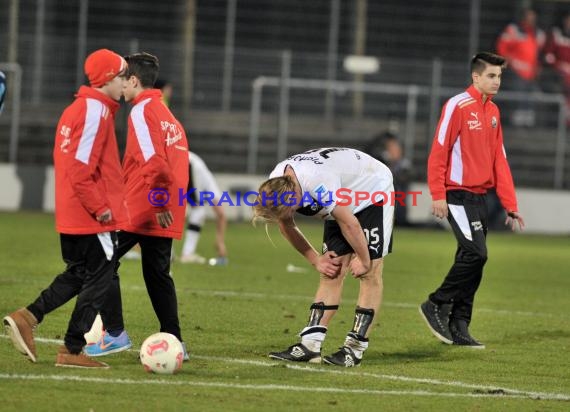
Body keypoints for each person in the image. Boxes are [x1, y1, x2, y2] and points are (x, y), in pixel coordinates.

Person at [3, 49, 128, 368]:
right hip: (91, 215)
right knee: (100, 278)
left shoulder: (80, 108)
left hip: (73, 211)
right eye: (123, 76)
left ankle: (27, 317)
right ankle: (72, 350)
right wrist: (101, 208)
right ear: (109, 78)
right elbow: (79, 169)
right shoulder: (95, 111)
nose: (126, 83)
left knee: (78, 275)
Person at [84, 52, 190, 358]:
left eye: (121, 77)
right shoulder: (168, 115)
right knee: (158, 274)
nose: (118, 83)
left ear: (133, 80)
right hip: (167, 206)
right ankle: (175, 341)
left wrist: (157, 202)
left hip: (145, 204)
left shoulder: (143, 111)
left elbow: (154, 162)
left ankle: (114, 333)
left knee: (99, 259)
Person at [419, 52, 525, 349]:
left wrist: (510, 203)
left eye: (500, 76)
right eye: (491, 76)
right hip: (456, 195)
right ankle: (435, 303)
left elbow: (499, 160)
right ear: (475, 77)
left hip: (479, 196)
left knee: (472, 260)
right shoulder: (457, 105)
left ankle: (460, 324)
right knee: (477, 254)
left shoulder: (493, 112)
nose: (497, 82)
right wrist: (438, 195)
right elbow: (439, 151)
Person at [253, 147, 394, 367]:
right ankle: (310, 345)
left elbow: (349, 223)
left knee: (371, 272)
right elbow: (286, 223)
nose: (284, 218)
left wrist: (364, 259)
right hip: (344, 192)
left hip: (372, 188)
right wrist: (315, 259)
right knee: (332, 268)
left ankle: (354, 349)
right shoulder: (278, 182)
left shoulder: (318, 184)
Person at [496, 8, 545, 127]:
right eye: (529, 17)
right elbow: (501, 46)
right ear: (523, 17)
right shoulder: (514, 29)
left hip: (531, 73)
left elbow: (540, 53)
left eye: (533, 17)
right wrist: (509, 61)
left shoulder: (538, 33)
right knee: (518, 97)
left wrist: (538, 67)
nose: (531, 20)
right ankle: (515, 125)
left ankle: (527, 124)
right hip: (516, 71)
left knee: (531, 98)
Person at [180, 151, 228, 265]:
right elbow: (221, 214)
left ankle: (172, 253)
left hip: (178, 157)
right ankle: (187, 254)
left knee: (172, 207)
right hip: (187, 163)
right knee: (198, 211)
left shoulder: (204, 179)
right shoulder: (207, 182)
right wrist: (220, 241)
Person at [364, 131, 412, 226]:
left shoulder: (404, 165)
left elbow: (400, 179)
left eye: (396, 148)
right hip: (382, 208)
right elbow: (367, 153)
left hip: (398, 208)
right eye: (391, 148)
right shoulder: (382, 163)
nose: (394, 151)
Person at [544, 12, 570, 121]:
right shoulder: (556, 34)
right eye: (568, 21)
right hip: (558, 75)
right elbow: (548, 56)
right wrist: (558, 66)